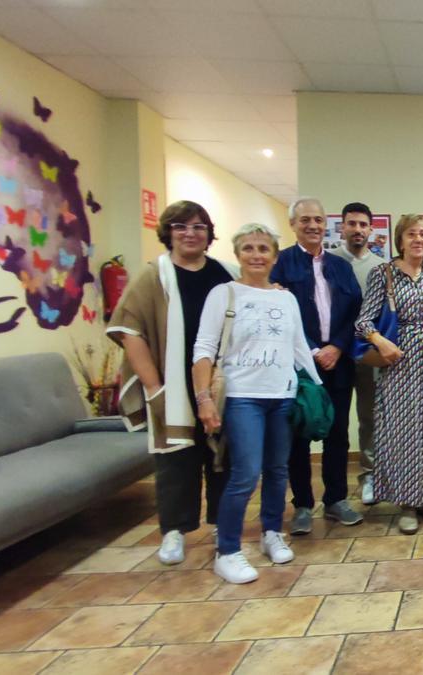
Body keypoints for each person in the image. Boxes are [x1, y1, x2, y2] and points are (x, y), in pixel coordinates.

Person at [192, 222, 321, 584]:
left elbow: (298, 347)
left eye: (263, 249)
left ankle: (271, 533)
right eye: (248, 248)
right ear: (238, 255)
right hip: (242, 396)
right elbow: (204, 348)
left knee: (278, 470)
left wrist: (317, 390)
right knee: (245, 474)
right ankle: (228, 551)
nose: (256, 255)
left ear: (274, 256)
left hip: (281, 395)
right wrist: (204, 398)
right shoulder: (224, 294)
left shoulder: (285, 297)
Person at [107, 200, 235, 566]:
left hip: (219, 382)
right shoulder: (154, 275)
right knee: (175, 459)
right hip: (171, 382)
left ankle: (221, 528)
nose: (190, 234)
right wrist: (153, 387)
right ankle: (174, 533)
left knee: (222, 456)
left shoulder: (226, 272)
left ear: (209, 233)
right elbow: (130, 331)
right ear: (168, 233)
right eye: (181, 227)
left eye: (198, 227)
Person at [356, 215, 423, 534]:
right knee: (401, 432)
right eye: (412, 234)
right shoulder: (382, 274)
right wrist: (380, 341)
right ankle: (407, 503)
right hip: (397, 361)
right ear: (400, 240)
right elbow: (363, 323)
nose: (419, 240)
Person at [271, 198, 364, 534]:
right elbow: (278, 314)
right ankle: (303, 505)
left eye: (319, 220)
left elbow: (356, 310)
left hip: (338, 363)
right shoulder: (280, 264)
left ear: (327, 225)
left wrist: (337, 345)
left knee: (337, 435)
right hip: (298, 367)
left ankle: (336, 500)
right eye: (305, 219)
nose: (313, 225)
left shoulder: (340, 266)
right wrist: (311, 349)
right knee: (299, 435)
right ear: (293, 224)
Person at [331, 202, 384, 506]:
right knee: (335, 422)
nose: (357, 230)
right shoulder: (329, 261)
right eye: (352, 224)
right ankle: (335, 488)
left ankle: (370, 476)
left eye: (363, 225)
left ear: (370, 229)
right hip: (334, 355)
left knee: (369, 418)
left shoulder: (379, 266)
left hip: (367, 354)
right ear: (342, 226)